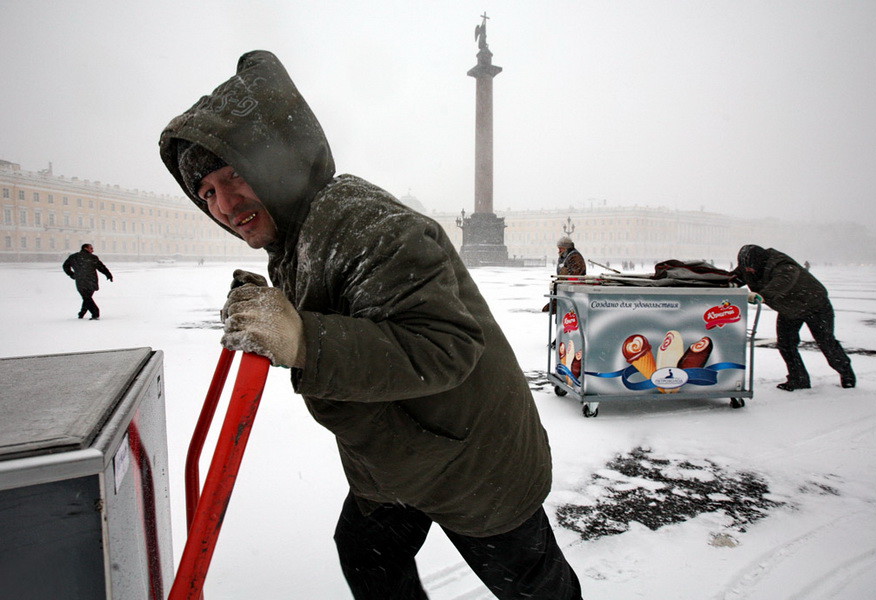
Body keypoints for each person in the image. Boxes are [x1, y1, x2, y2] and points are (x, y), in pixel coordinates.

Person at [159, 50, 581, 600]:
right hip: (400, 459)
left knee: (535, 588)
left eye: (234, 175)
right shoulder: (296, 233)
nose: (225, 204)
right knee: (365, 554)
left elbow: (444, 347)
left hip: (472, 462)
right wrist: (275, 305)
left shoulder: (361, 224)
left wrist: (304, 338)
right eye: (207, 192)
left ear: (273, 162)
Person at [734, 244, 855, 391]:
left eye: (750, 268)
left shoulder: (780, 264)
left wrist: (764, 295)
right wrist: (717, 283)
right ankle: (799, 379)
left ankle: (846, 374)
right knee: (786, 344)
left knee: (826, 343)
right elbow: (734, 278)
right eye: (746, 268)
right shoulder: (748, 266)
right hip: (790, 309)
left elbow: (783, 280)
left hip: (816, 305)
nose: (748, 271)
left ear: (759, 261)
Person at [62, 243, 113, 320]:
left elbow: (65, 266)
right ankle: (95, 313)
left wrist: (72, 274)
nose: (93, 250)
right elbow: (101, 267)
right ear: (86, 248)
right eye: (91, 248)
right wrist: (108, 274)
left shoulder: (73, 257)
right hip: (92, 281)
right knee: (87, 298)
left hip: (80, 281)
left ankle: (82, 313)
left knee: (87, 298)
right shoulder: (92, 258)